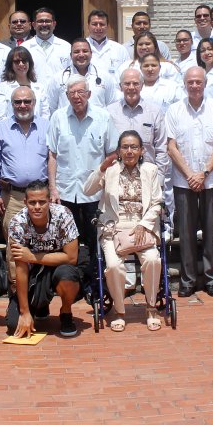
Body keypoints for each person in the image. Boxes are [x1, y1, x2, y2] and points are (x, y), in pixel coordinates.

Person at [83, 131, 164, 332]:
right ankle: (120, 311)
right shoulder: (109, 170)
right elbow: (87, 190)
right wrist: (101, 168)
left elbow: (156, 203)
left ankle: (151, 308)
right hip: (113, 227)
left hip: (142, 226)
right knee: (113, 265)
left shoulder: (151, 170)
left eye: (134, 147)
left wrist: (144, 225)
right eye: (125, 147)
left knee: (153, 260)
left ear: (141, 150)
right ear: (118, 151)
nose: (129, 151)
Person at [166, 67, 213, 297]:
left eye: (198, 82)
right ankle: (188, 280)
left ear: (205, 83)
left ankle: (212, 278)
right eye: (190, 82)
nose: (194, 86)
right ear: (184, 84)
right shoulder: (174, 109)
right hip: (183, 182)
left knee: (211, 231)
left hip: (212, 180)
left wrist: (203, 173)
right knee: (186, 233)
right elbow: (171, 147)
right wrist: (190, 175)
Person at [47, 75, 119, 247]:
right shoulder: (58, 117)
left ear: (89, 94)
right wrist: (52, 188)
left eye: (81, 92)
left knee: (96, 240)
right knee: (67, 240)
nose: (76, 96)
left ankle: (94, 265)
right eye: (72, 93)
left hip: (95, 192)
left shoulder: (103, 117)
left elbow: (112, 155)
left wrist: (108, 187)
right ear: (66, 95)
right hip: (65, 191)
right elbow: (52, 155)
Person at [6, 182, 82, 338]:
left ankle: (66, 312)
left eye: (42, 202)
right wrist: (24, 312)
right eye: (32, 202)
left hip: (61, 266)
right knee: (13, 325)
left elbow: (71, 257)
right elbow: (21, 268)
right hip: (35, 271)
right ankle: (40, 306)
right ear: (25, 202)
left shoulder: (64, 214)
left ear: (50, 201)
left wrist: (33, 257)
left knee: (67, 275)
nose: (37, 207)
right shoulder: (17, 223)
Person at [52, 38, 117, 111]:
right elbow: (51, 108)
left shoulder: (105, 77)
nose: (81, 55)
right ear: (71, 55)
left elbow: (112, 106)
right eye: (76, 52)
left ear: (91, 53)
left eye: (85, 51)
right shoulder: (58, 78)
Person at [0, 46, 52, 121]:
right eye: (17, 62)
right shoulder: (3, 87)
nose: (21, 64)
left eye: (24, 61)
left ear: (29, 63)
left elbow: (45, 115)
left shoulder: (40, 88)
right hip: (10, 128)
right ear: (11, 65)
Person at [23, 7, 72, 84]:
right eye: (40, 21)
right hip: (32, 90)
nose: (44, 24)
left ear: (54, 24)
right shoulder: (24, 47)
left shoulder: (66, 47)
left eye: (48, 21)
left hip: (60, 90)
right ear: (34, 25)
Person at [85, 9, 128, 80]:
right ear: (88, 26)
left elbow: (127, 73)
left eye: (102, 24)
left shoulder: (120, 49)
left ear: (107, 26)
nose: (98, 27)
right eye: (94, 24)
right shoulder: (79, 49)